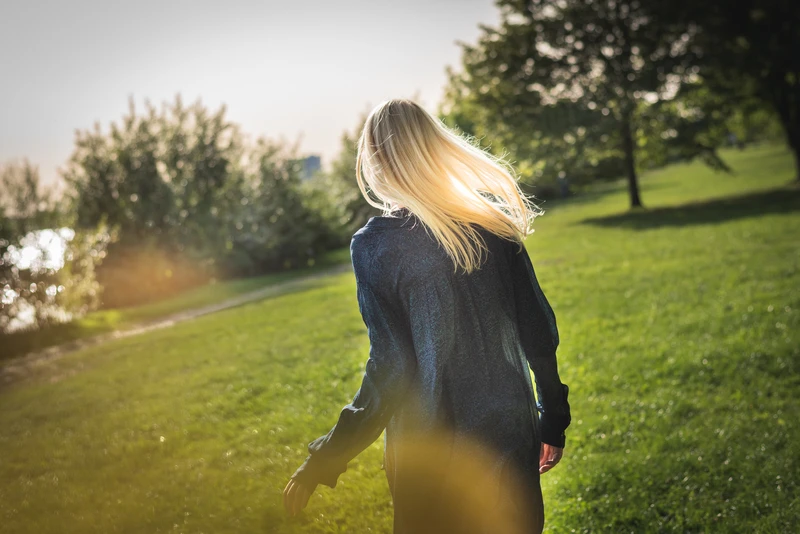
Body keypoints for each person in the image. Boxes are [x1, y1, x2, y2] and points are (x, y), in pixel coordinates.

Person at [283, 99, 571, 533]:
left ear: (375, 161)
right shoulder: (489, 220)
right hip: (508, 431)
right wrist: (551, 416)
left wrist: (326, 455)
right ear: (434, 148)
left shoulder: (376, 246)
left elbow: (390, 370)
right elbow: (539, 331)